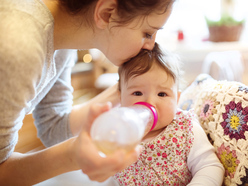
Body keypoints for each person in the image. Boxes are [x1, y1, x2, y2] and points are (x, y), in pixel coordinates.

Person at [0, 0, 175, 185]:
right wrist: (71, 156)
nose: (151, 45)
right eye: (147, 33)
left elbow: (53, 128)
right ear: (107, 13)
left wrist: (129, 89)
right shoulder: (18, 43)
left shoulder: (63, 38)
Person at [114, 43, 224, 185]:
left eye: (162, 94)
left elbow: (209, 167)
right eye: (137, 93)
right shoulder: (118, 131)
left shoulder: (185, 129)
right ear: (120, 97)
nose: (150, 102)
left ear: (176, 99)